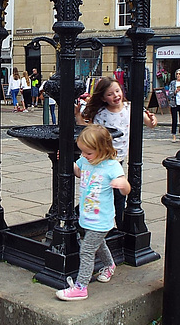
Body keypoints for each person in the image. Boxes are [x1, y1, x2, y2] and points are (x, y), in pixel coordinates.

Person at [56, 125, 131, 301]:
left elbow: (126, 187)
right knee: (99, 243)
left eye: (88, 152)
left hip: (102, 218)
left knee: (87, 250)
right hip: (88, 215)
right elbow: (79, 173)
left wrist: (122, 186)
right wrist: (68, 162)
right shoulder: (86, 161)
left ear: (103, 150)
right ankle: (110, 265)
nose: (84, 155)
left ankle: (81, 287)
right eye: (82, 152)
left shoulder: (112, 166)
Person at [75, 76, 157, 227]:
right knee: (97, 189)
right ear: (103, 98)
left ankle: (119, 223)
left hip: (117, 158)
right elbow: (90, 132)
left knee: (116, 192)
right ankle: (86, 216)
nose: (116, 96)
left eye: (117, 91)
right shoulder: (101, 112)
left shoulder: (130, 108)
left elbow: (148, 123)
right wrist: (78, 117)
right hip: (100, 156)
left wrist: (152, 121)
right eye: (110, 94)